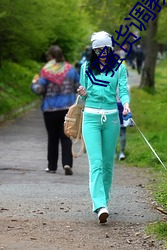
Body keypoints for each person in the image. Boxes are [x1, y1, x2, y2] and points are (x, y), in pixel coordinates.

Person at [77, 31, 130, 223]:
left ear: (110, 48)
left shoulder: (119, 68)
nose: (101, 53)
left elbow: (123, 90)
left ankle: (104, 201)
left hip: (112, 119)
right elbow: (83, 97)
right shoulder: (86, 67)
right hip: (90, 118)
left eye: (104, 49)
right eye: (97, 50)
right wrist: (82, 92)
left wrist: (125, 104)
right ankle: (99, 205)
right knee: (96, 163)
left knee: (108, 164)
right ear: (93, 50)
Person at [31, 45, 80, 175]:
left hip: (50, 109)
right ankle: (67, 163)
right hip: (67, 109)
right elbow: (78, 87)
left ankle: (52, 166)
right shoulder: (71, 70)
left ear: (50, 57)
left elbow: (39, 90)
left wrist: (34, 83)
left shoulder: (46, 71)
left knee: (52, 138)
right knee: (66, 137)